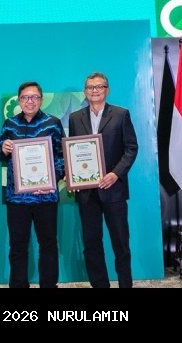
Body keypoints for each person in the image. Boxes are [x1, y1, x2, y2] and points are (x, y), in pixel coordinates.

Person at [67, 72, 138, 288]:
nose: (95, 90)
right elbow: (73, 151)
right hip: (87, 192)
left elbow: (131, 148)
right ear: (85, 91)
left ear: (107, 90)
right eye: (90, 87)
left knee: (121, 243)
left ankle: (125, 284)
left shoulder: (121, 114)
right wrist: (72, 174)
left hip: (114, 190)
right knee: (91, 244)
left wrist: (115, 174)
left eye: (99, 86)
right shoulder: (75, 118)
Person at [0, 81, 65, 288]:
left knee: (48, 244)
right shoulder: (9, 124)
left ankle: (49, 285)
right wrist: (3, 148)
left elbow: (62, 156)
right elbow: (0, 153)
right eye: (25, 97)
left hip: (46, 196)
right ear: (19, 100)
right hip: (17, 198)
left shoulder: (53, 123)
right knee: (17, 246)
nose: (30, 101)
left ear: (41, 100)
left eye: (35, 97)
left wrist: (52, 179)